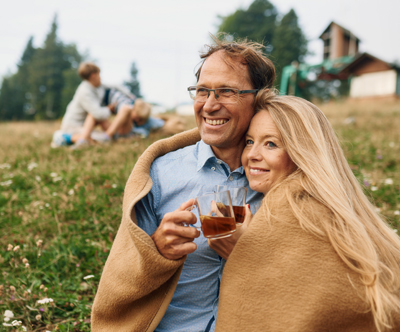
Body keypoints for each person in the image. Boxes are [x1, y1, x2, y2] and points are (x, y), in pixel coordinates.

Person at [91, 35, 275, 331]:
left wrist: (253, 251)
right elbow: (122, 272)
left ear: (260, 98)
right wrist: (157, 249)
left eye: (226, 91)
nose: (210, 106)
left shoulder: (281, 176)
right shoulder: (161, 174)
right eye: (202, 91)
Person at [215, 89, 400, 332]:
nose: (252, 155)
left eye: (271, 144)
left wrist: (247, 253)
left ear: (302, 152)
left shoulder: (296, 209)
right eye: (250, 141)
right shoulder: (329, 203)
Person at [51, 62, 133, 148]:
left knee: (102, 126)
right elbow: (97, 114)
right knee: (97, 129)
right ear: (93, 76)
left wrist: (130, 96)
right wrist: (109, 109)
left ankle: (111, 137)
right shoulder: (84, 92)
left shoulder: (96, 86)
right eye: (99, 75)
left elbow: (115, 86)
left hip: (86, 125)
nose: (100, 78)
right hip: (74, 126)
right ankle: (82, 140)